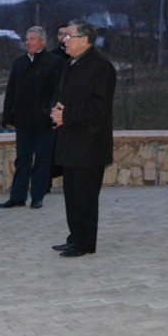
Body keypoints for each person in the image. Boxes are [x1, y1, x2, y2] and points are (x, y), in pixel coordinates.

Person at [49, 20, 116, 258]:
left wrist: (66, 116)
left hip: (90, 144)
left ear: (84, 40)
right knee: (72, 195)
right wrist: (55, 111)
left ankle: (85, 243)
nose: (64, 40)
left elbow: (98, 106)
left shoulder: (101, 67)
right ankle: (74, 237)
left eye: (69, 36)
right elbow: (59, 95)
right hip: (70, 142)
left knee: (85, 196)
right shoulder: (71, 64)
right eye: (64, 36)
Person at [0, 25, 62, 210]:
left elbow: (58, 91)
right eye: (27, 39)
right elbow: (11, 91)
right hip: (23, 120)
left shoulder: (54, 62)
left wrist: (51, 112)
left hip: (44, 121)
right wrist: (8, 117)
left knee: (42, 160)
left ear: (42, 41)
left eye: (32, 39)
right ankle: (17, 197)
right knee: (23, 159)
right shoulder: (19, 63)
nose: (28, 42)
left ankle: (37, 196)